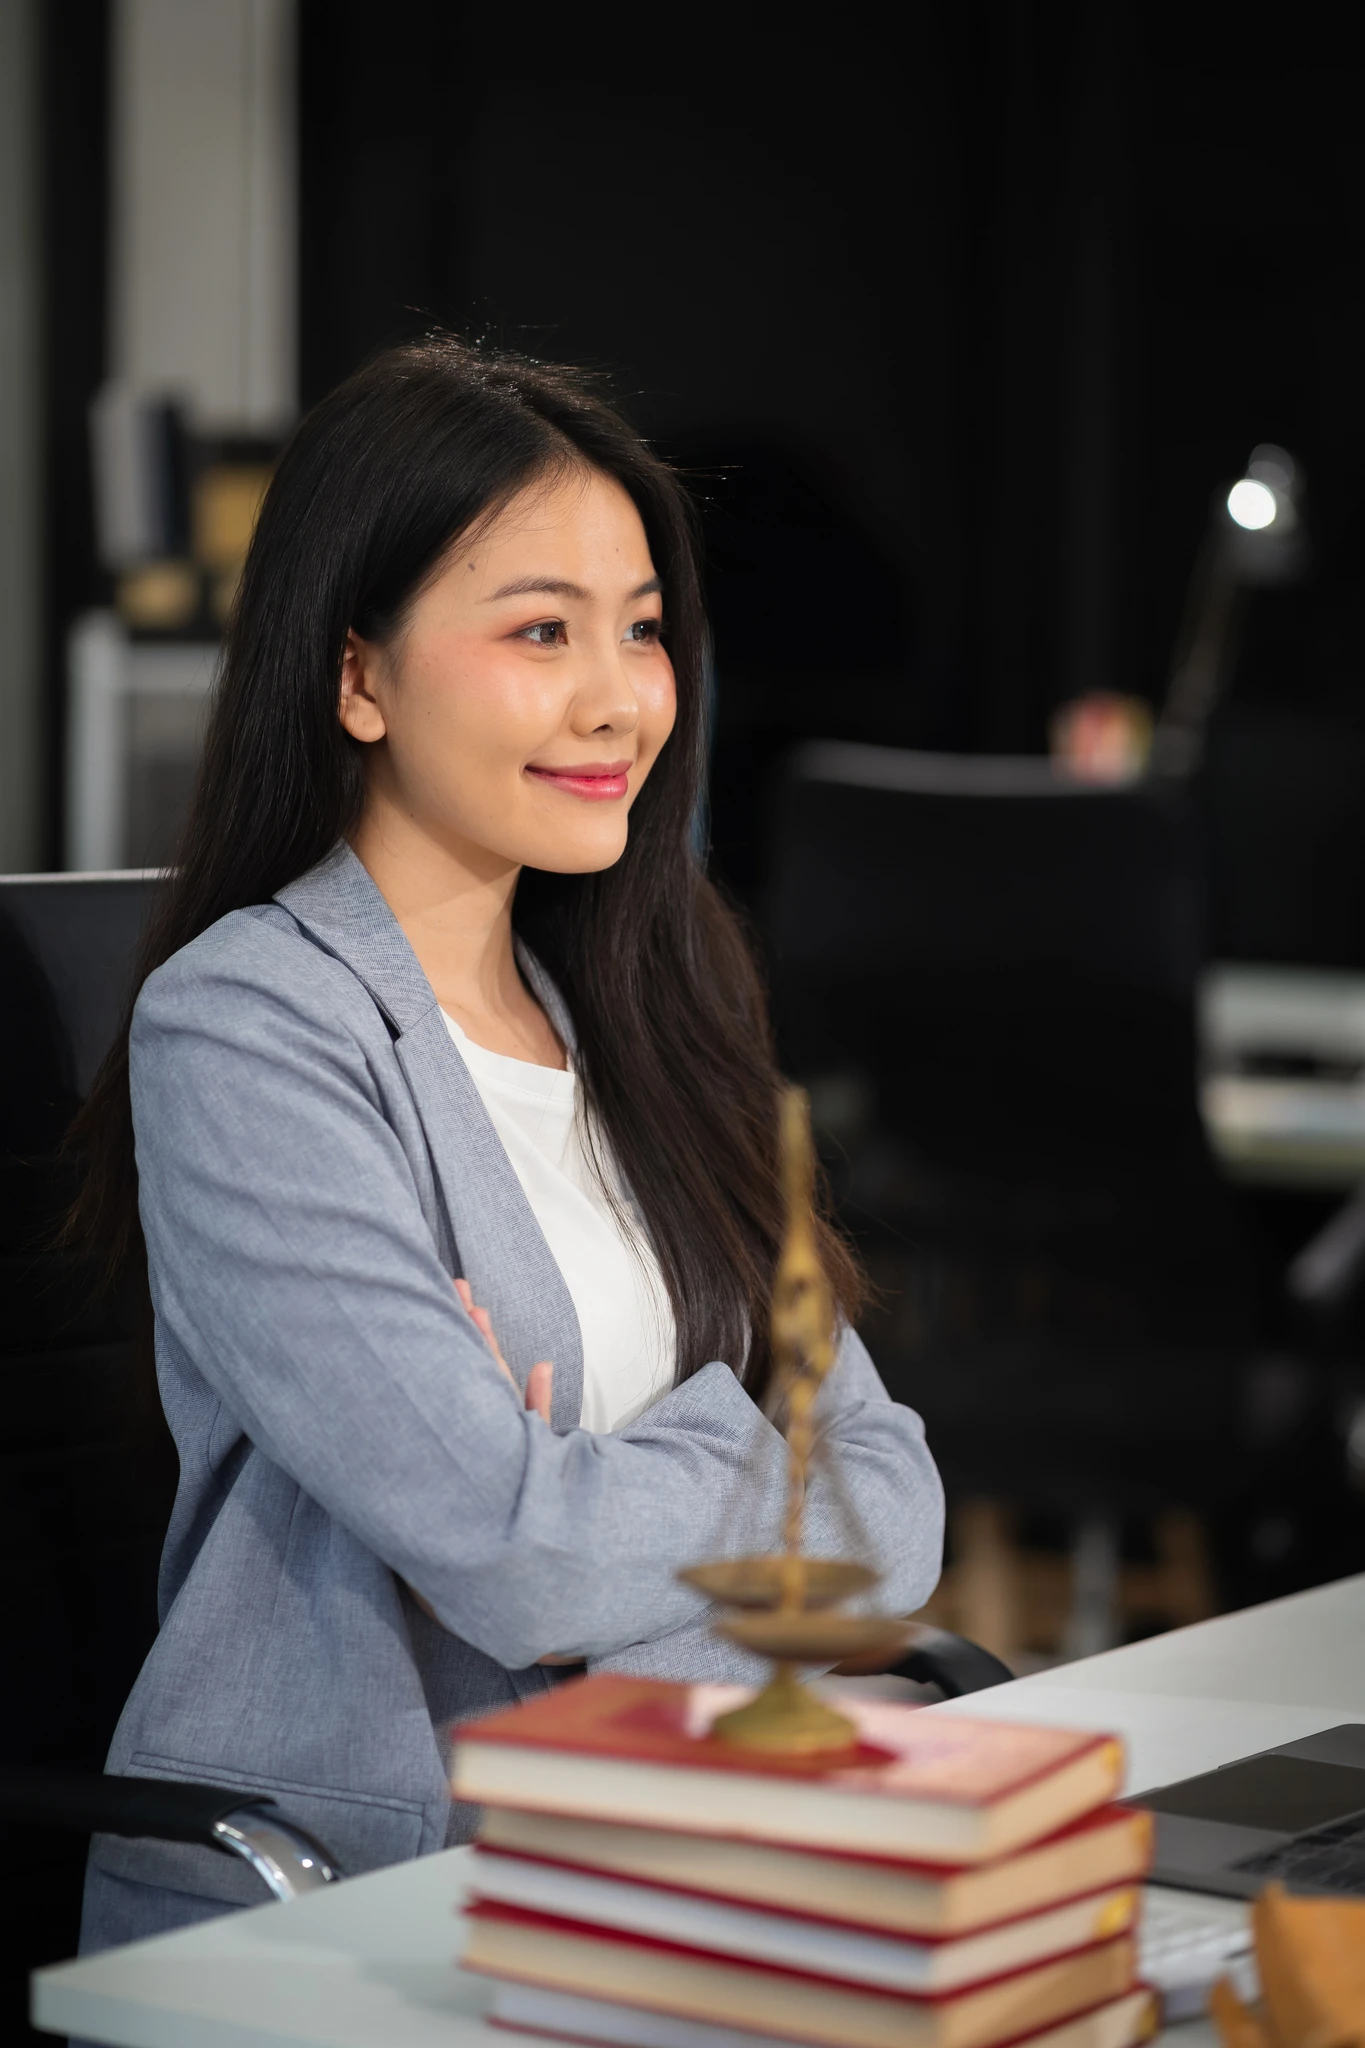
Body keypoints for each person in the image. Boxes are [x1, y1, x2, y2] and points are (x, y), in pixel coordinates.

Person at [71, 337, 944, 1952]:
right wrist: (732, 1478)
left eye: (643, 629)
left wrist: (588, 1489)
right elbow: (524, 1559)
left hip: (672, 1844)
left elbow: (895, 1506)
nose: (620, 697)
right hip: (360, 1905)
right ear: (358, 675)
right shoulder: (252, 1025)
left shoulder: (654, 1003)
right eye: (542, 631)